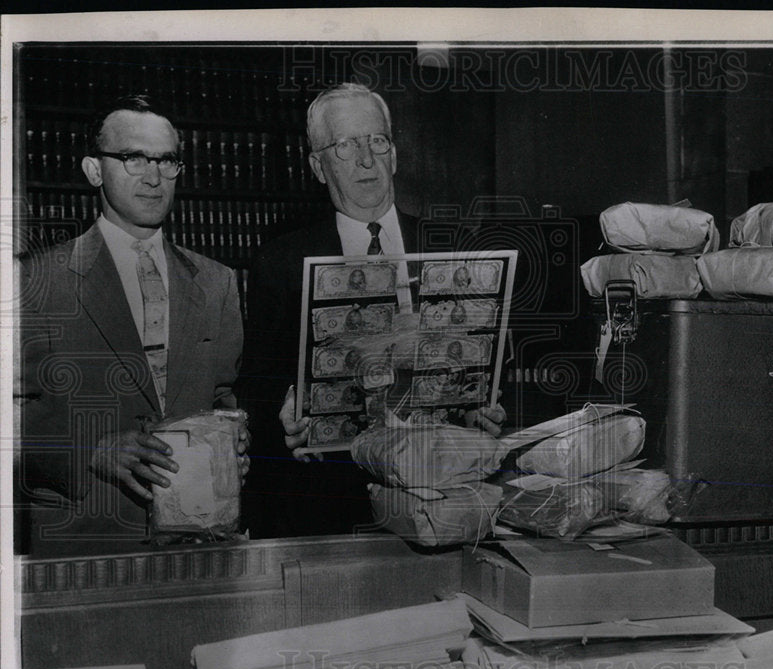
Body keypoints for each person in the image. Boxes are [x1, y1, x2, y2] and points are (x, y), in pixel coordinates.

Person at [240, 83, 504, 538]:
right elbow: (255, 387)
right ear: (317, 168)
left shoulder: (455, 252)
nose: (366, 160)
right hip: (327, 502)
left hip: (440, 496)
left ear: (394, 155)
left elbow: (486, 365)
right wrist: (283, 411)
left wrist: (483, 410)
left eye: (376, 141)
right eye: (344, 146)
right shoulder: (280, 262)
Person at [16, 94, 248, 554]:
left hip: (200, 536)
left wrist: (235, 441)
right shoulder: (34, 281)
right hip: (85, 539)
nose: (153, 175)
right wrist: (89, 451)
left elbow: (222, 397)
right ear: (94, 170)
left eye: (166, 160)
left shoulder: (217, 282)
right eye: (133, 157)